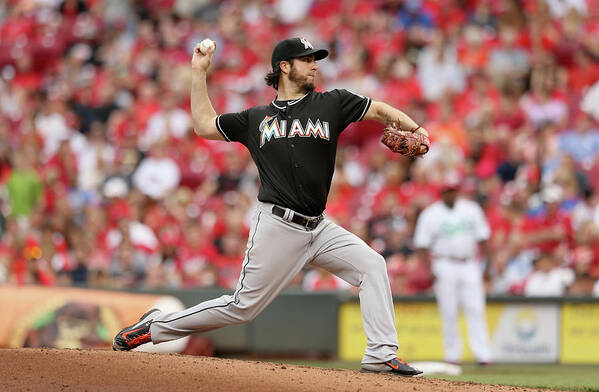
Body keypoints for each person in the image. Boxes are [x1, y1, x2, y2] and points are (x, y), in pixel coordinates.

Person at [113, 37, 429, 376]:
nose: (314, 64)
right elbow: (205, 126)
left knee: (371, 265)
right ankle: (155, 327)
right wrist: (198, 74)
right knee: (242, 307)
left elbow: (379, 110)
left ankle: (381, 353)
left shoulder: (333, 103)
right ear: (284, 66)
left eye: (315, 59)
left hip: (319, 227)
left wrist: (416, 128)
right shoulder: (256, 118)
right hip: (278, 226)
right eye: (306, 59)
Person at [413, 176, 493, 365]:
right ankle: (452, 355)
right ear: (442, 193)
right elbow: (421, 244)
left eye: (454, 190)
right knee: (448, 310)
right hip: (444, 264)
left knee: (475, 308)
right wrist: (429, 269)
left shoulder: (471, 209)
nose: (451, 194)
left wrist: (487, 265)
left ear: (458, 191)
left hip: (469, 263)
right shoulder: (430, 214)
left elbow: (484, 238)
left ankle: (483, 354)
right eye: (447, 190)